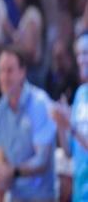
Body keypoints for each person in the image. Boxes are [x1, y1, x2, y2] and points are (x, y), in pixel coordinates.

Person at [0, 46, 56, 202]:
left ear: (22, 72)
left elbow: (42, 161)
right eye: (1, 71)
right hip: (13, 197)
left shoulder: (40, 103)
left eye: (10, 70)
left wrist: (13, 172)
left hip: (41, 197)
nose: (4, 77)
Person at [51, 32, 88, 202]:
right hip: (79, 192)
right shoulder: (80, 94)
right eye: (78, 54)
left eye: (86, 53)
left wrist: (70, 127)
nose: (81, 59)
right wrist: (61, 124)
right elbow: (69, 152)